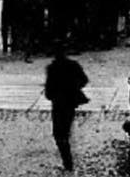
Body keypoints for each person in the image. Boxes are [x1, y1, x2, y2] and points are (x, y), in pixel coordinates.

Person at [44, 45, 88, 173]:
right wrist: (73, 88)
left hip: (58, 103)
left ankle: (67, 161)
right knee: (65, 130)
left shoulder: (52, 68)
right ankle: (67, 161)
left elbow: (48, 91)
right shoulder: (73, 65)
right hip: (70, 102)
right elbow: (84, 80)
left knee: (59, 133)